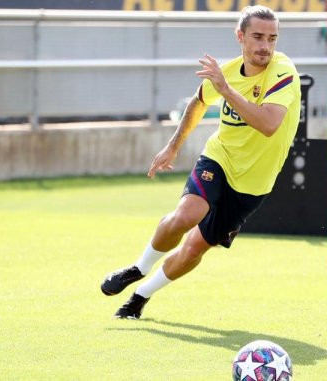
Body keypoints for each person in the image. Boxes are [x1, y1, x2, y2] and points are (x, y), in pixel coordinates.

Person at [101, 5, 301, 319]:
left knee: (195, 248)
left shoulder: (283, 71)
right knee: (187, 214)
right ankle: (138, 267)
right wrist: (173, 146)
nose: (265, 46)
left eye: (272, 38)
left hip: (254, 182)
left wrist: (226, 89)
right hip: (219, 158)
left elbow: (268, 124)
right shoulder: (228, 71)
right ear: (241, 36)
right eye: (258, 37)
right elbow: (198, 102)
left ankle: (140, 297)